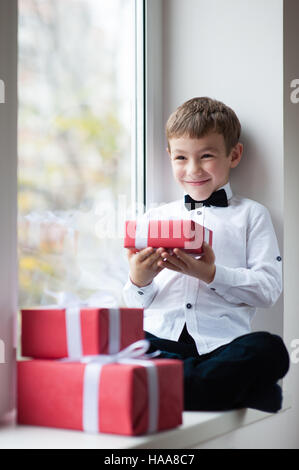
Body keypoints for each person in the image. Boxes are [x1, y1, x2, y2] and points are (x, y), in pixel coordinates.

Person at [122, 97, 289, 412]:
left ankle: (165, 389)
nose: (193, 169)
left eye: (207, 156)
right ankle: (217, 391)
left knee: (270, 349)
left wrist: (210, 274)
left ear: (234, 154)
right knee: (120, 343)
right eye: (181, 157)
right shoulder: (152, 218)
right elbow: (135, 305)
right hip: (160, 342)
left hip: (222, 348)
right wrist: (139, 280)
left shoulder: (253, 215)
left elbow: (268, 290)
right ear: (170, 156)